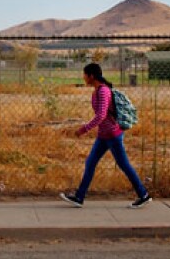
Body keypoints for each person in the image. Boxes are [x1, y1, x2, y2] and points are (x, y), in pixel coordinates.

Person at [59, 62, 152, 209]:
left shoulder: (103, 91)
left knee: (124, 165)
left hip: (112, 136)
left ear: (91, 76)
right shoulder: (97, 91)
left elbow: (101, 115)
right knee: (90, 163)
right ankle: (79, 197)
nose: (83, 77)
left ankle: (143, 195)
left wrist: (83, 129)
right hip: (103, 136)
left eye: (84, 74)